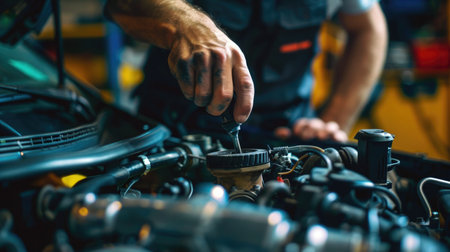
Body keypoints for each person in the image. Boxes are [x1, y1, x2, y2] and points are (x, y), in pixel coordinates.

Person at [104, 0, 387, 143]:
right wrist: (184, 23)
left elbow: (369, 29)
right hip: (173, 136)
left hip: (288, 137)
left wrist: (332, 121)